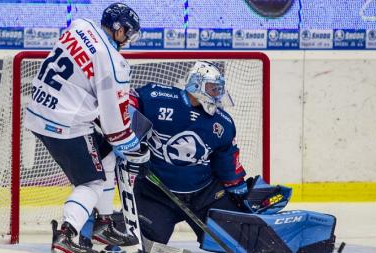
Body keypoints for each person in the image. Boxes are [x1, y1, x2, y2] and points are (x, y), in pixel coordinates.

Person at [24, 3, 144, 253]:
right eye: (129, 33)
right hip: (65, 124)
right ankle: (66, 234)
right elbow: (115, 127)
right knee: (93, 182)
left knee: (106, 156)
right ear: (119, 30)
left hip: (39, 110)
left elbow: (81, 77)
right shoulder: (114, 63)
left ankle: (104, 222)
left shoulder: (80, 26)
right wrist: (132, 144)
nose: (128, 39)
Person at [128, 61, 249, 246]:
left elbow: (225, 158)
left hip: (205, 195)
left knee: (233, 239)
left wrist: (236, 184)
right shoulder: (159, 97)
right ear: (195, 84)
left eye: (219, 89)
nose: (217, 94)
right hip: (155, 193)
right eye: (212, 88)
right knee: (144, 243)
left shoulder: (223, 122)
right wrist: (125, 134)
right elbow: (129, 102)